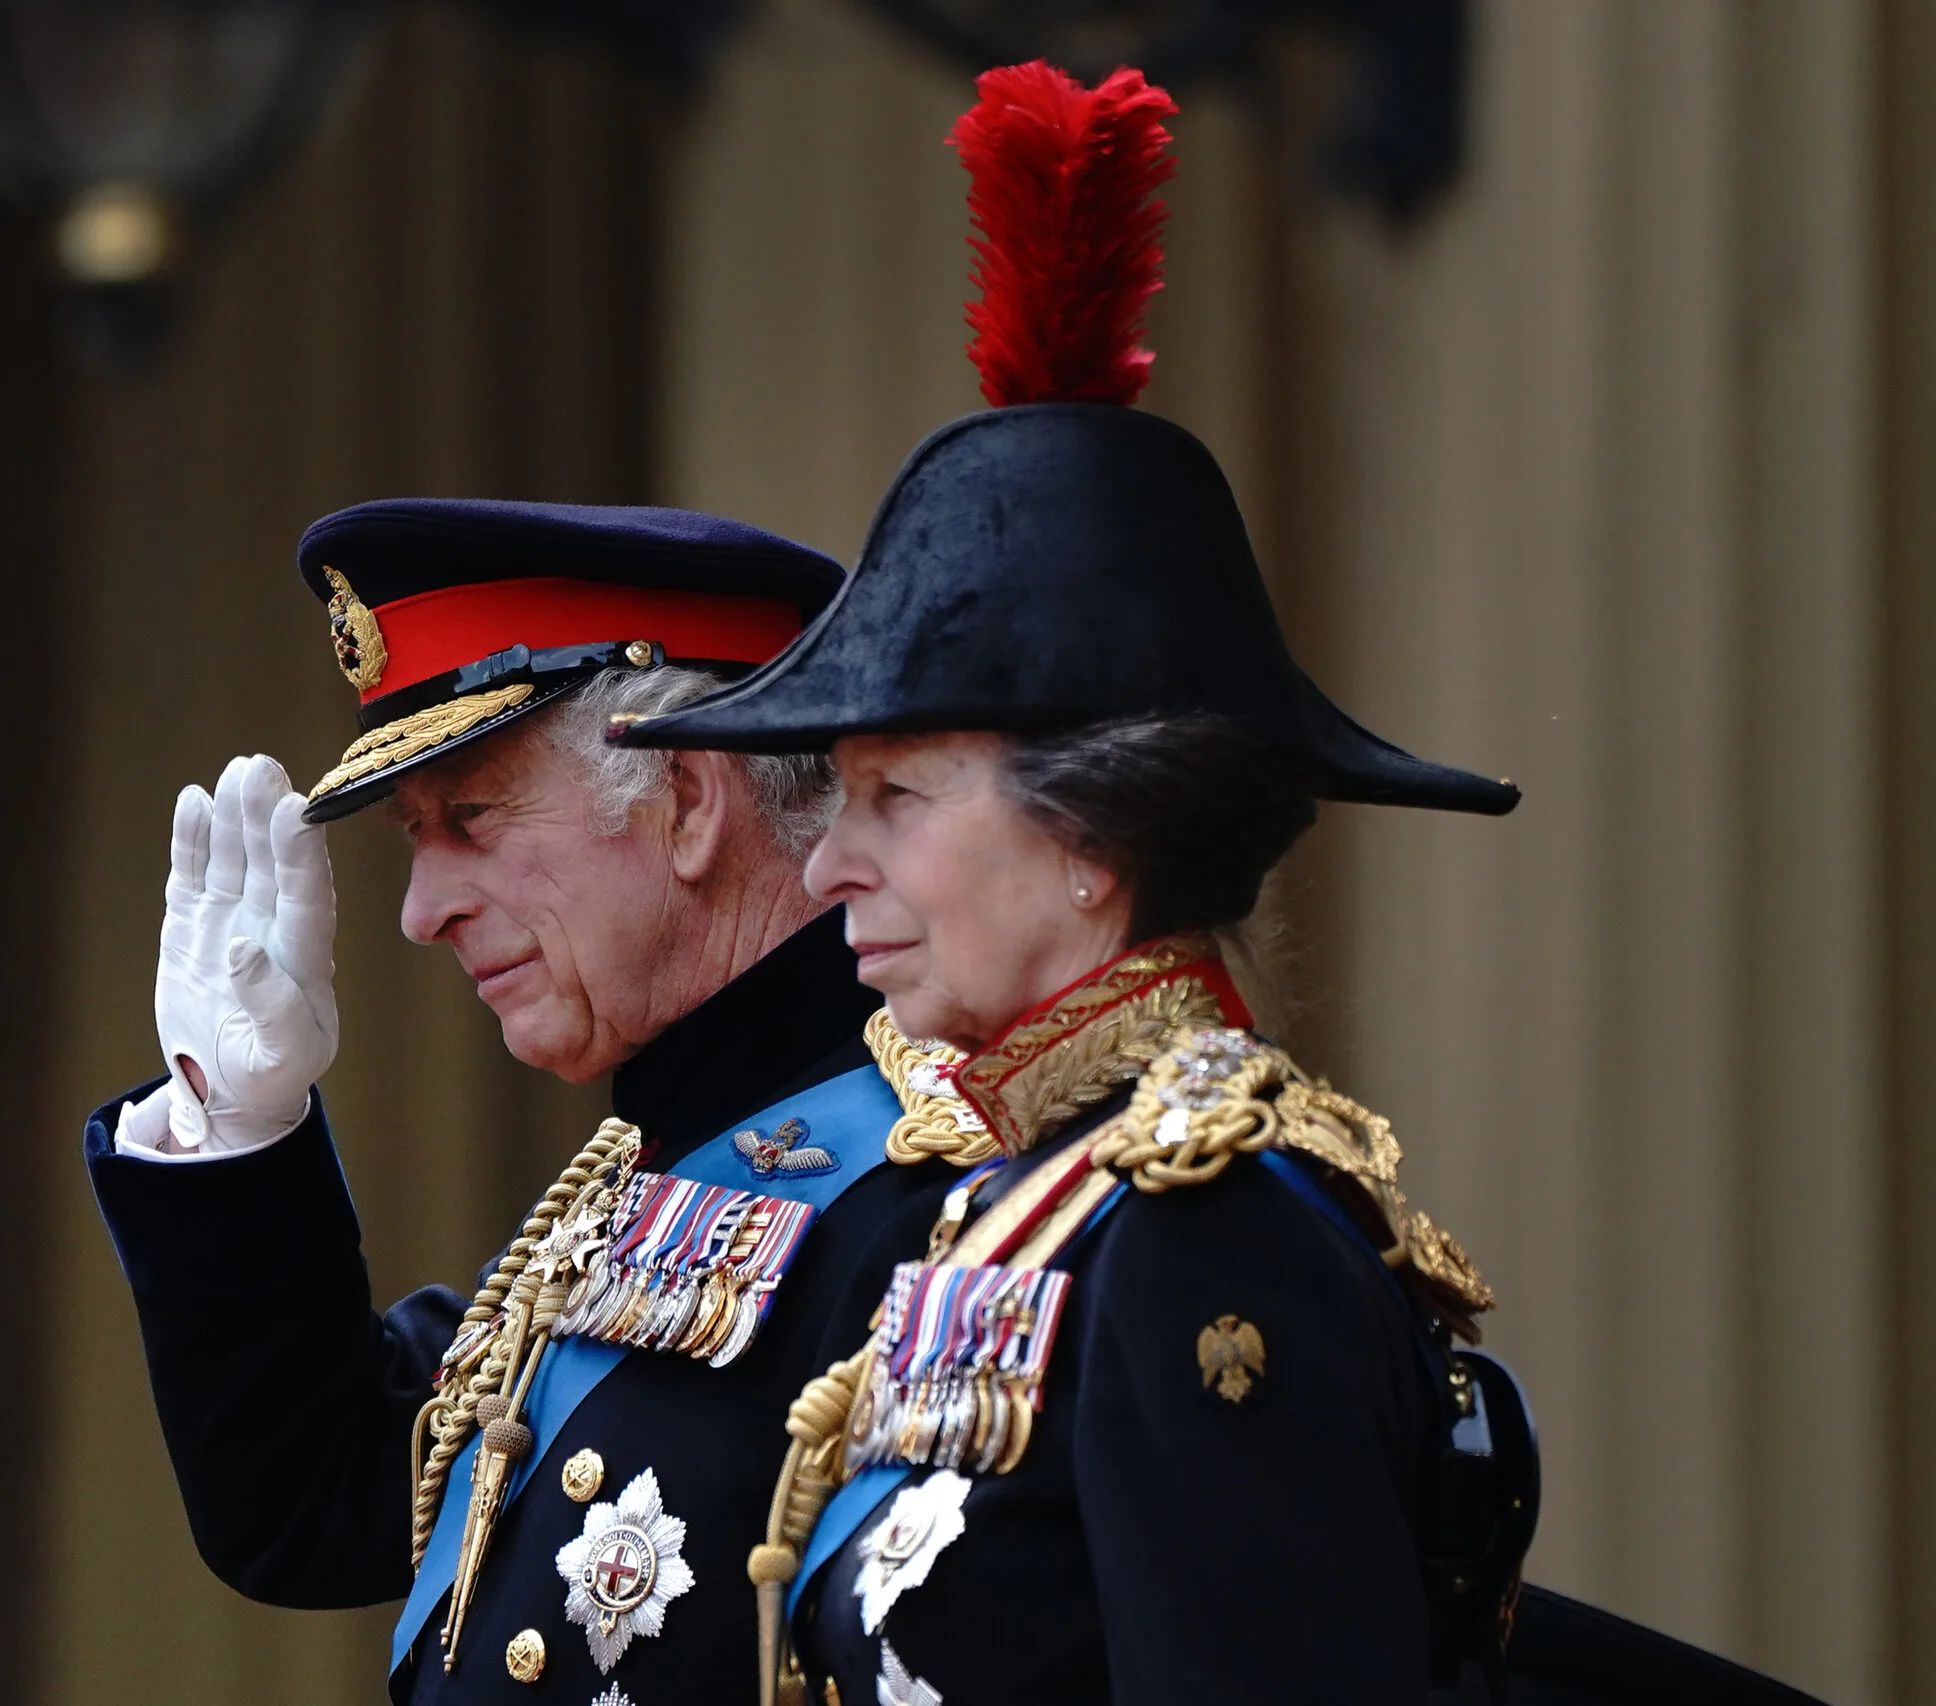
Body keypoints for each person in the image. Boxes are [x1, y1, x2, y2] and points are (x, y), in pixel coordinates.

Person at [614, 61, 1825, 1706]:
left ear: (1095, 838)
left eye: (896, 795)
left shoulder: (1204, 1237)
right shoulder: (1020, 1206)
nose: (831, 861)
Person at [84, 500, 976, 1703]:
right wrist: (233, 1128)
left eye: (471, 816)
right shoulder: (647, 1175)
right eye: (415, 835)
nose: (420, 908)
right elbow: (319, 1502)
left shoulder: (940, 1187)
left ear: (689, 798)